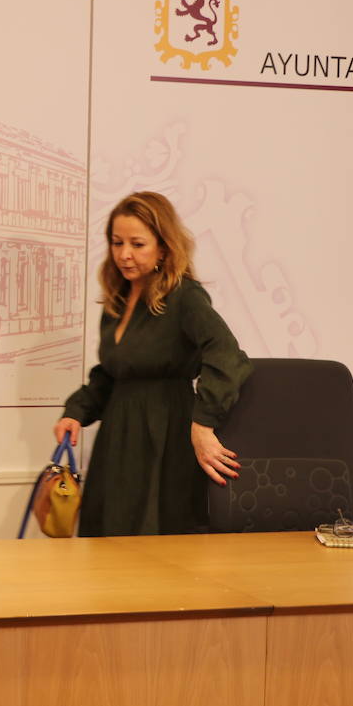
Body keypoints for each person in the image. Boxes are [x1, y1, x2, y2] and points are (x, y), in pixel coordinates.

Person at [54, 191, 252, 536]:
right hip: (118, 435)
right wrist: (76, 411)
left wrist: (204, 423)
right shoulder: (117, 300)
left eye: (137, 244)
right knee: (108, 538)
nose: (124, 254)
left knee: (154, 540)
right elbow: (113, 374)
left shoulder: (184, 296)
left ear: (164, 247)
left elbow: (226, 354)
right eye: (117, 243)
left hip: (164, 432)